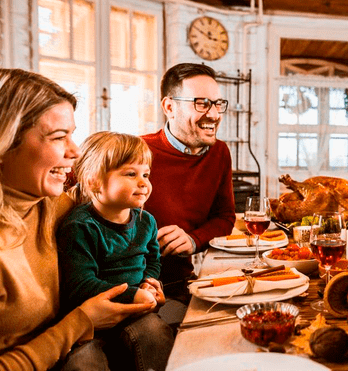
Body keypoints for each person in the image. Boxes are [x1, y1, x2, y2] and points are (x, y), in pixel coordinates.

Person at [0, 68, 153, 370]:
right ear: (5, 143)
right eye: (59, 137)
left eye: (73, 134)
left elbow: (108, 194)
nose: (75, 150)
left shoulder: (50, 202)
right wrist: (80, 322)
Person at [57, 132, 174, 371]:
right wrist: (132, 294)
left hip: (136, 314)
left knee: (156, 332)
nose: (143, 182)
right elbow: (81, 285)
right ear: (94, 182)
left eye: (146, 174)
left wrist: (150, 283)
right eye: (131, 174)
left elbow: (152, 261)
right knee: (83, 363)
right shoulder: (80, 226)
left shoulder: (146, 221)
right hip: (91, 322)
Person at [141, 63, 235, 309]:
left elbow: (224, 217)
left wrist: (193, 240)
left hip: (180, 283)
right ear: (169, 107)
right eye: (201, 103)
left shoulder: (220, 153)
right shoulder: (136, 151)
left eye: (217, 104)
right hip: (136, 287)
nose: (214, 115)